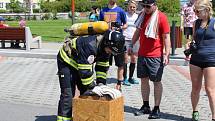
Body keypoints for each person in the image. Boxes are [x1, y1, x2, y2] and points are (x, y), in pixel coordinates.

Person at [56, 30, 125, 121]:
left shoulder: (106, 49)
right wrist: (92, 86)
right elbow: (85, 72)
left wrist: (101, 84)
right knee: (68, 94)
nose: (111, 53)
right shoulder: (89, 45)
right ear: (106, 43)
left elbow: (102, 68)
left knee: (86, 92)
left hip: (80, 63)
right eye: (111, 50)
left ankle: (83, 117)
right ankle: (63, 119)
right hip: (66, 62)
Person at [131, 0, 171, 119]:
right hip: (142, 54)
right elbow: (138, 31)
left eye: (148, 6)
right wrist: (131, 45)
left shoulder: (161, 17)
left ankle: (156, 108)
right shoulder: (142, 15)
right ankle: (145, 106)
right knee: (144, 81)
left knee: (156, 82)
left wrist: (167, 54)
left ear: (154, 5)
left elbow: (166, 37)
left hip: (155, 56)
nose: (146, 8)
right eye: (144, 6)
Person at [189, 0, 215, 121]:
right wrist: (190, 44)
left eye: (197, 11)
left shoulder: (214, 23)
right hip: (196, 59)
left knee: (210, 90)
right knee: (195, 88)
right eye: (195, 10)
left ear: (207, 10)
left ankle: (214, 116)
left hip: (211, 60)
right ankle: (195, 112)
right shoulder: (196, 23)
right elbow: (194, 38)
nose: (195, 13)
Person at [99, 0, 128, 90]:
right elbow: (99, 24)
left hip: (118, 41)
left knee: (120, 63)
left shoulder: (121, 11)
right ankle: (102, 83)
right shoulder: (103, 11)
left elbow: (126, 24)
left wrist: (120, 27)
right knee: (104, 63)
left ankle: (119, 84)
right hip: (106, 41)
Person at [123, 0, 139, 86]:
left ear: (136, 8)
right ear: (127, 7)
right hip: (125, 39)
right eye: (130, 7)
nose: (132, 8)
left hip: (135, 40)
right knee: (126, 59)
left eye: (133, 7)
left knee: (134, 59)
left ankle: (131, 77)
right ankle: (124, 78)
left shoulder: (138, 16)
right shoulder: (124, 15)